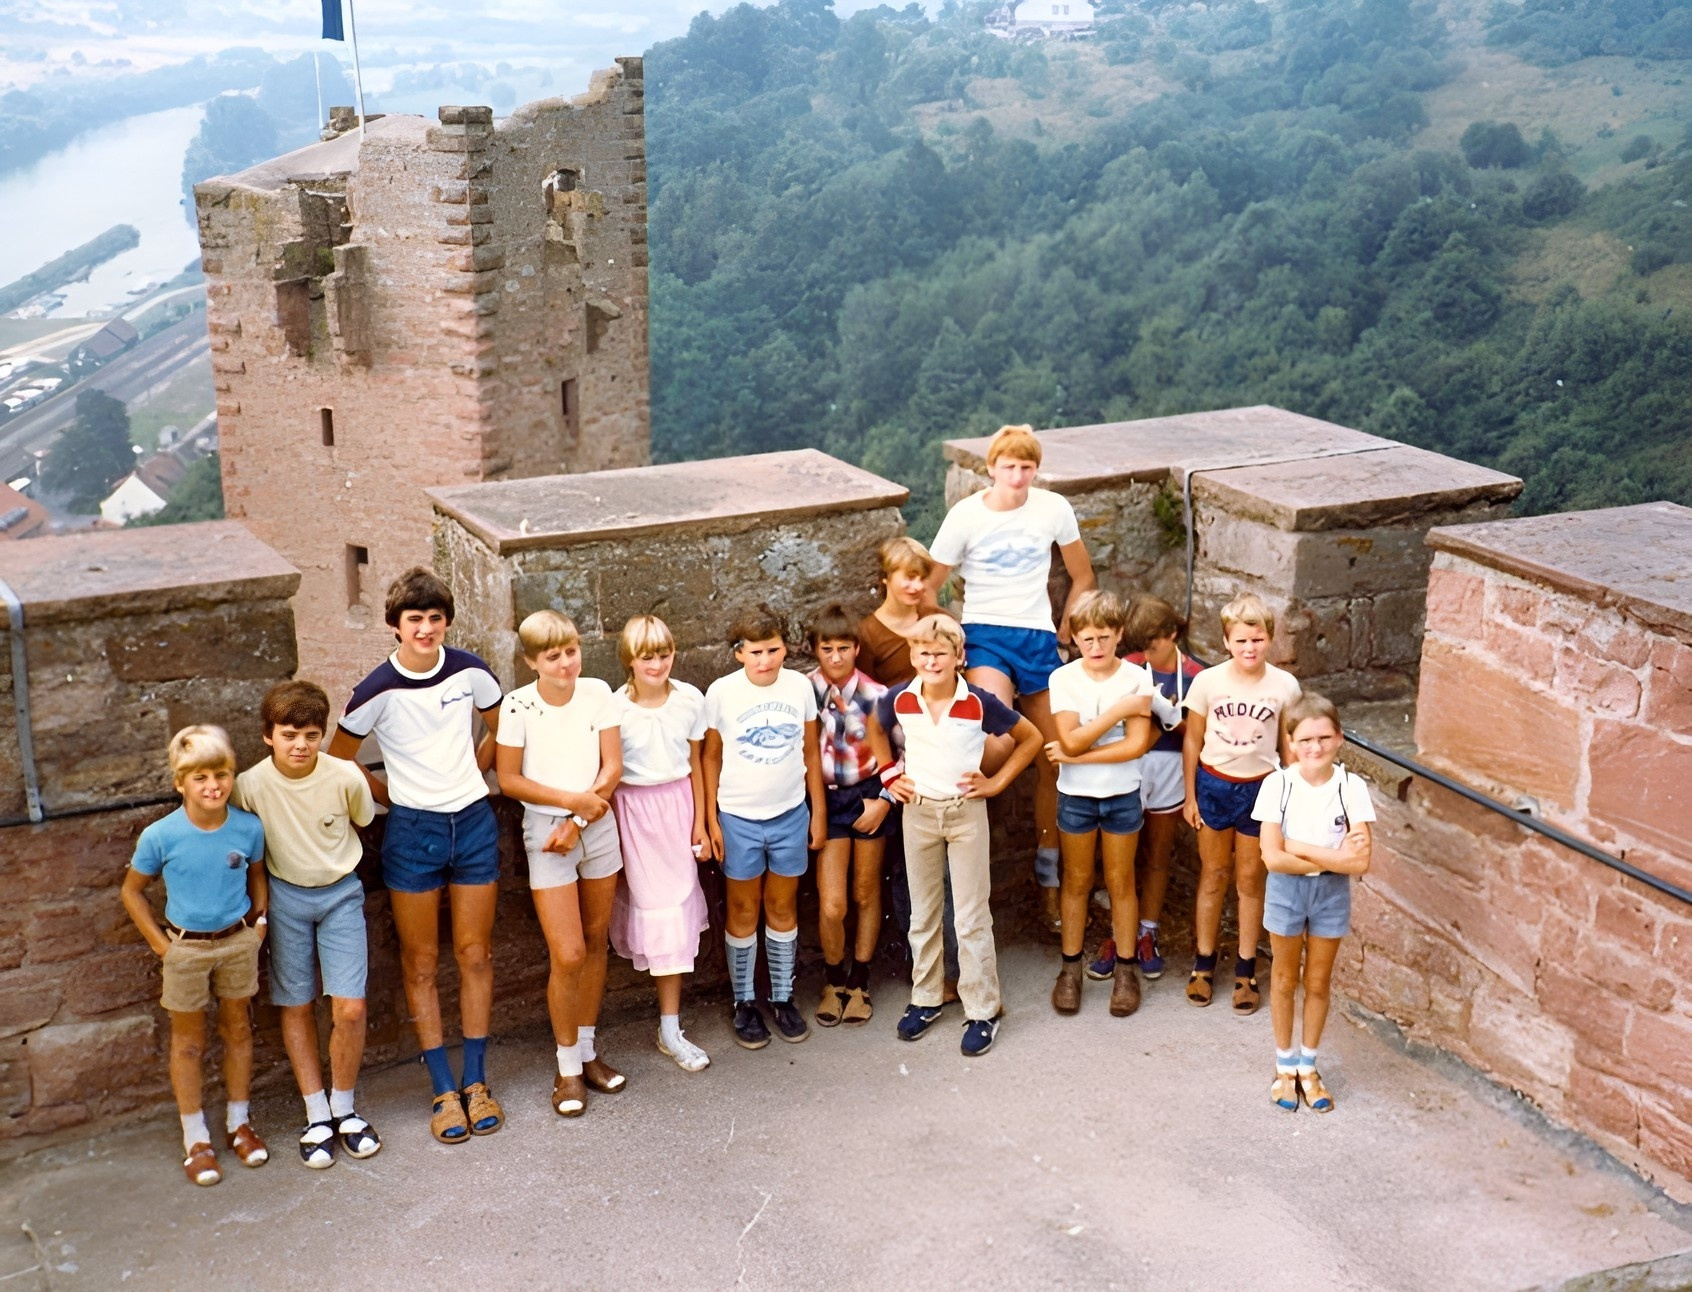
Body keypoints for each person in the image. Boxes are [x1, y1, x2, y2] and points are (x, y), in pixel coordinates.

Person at [328, 567, 505, 1145]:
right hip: (412, 833)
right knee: (421, 964)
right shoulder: (376, 689)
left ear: (446, 620)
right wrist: (386, 796)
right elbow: (339, 758)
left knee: (475, 954)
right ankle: (441, 1090)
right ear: (395, 626)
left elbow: (502, 730)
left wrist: (474, 772)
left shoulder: (472, 671)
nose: (425, 629)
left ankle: (476, 1082)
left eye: (434, 618)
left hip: (474, 823)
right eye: (414, 620)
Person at [927, 424, 1097, 933]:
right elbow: (929, 588)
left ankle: (1047, 874)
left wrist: (1069, 621)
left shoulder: (1053, 509)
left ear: (1036, 470)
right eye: (1009, 467)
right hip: (984, 637)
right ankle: (953, 840)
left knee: (1055, 756)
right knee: (996, 740)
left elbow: (1083, 576)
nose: (1018, 476)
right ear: (991, 468)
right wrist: (952, 637)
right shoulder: (966, 516)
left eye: (1027, 468)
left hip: (1038, 637)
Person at [868, 615, 1043, 1057]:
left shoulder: (978, 702)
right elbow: (873, 728)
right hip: (919, 813)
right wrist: (890, 774)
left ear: (958, 657)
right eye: (923, 653)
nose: (931, 660)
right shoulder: (900, 699)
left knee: (970, 914)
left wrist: (996, 783)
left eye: (940, 653)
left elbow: (1031, 737)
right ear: (912, 656)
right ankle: (925, 999)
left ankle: (983, 1009)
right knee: (924, 912)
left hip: (966, 814)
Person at [231, 681, 380, 1169]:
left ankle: (345, 1107)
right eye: (289, 734)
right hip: (285, 895)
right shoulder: (250, 786)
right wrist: (261, 907)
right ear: (268, 736)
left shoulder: (344, 777)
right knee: (295, 1003)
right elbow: (247, 847)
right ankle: (316, 1113)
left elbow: (361, 820)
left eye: (312, 734)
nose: (301, 745)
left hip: (340, 893)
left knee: (350, 1008)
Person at [120, 725, 269, 1187]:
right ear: (179, 782)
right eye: (200, 777)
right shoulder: (161, 836)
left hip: (237, 941)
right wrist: (163, 946)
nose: (213, 786)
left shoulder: (247, 827)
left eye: (221, 774)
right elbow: (132, 892)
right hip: (185, 949)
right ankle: (195, 1136)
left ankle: (238, 1123)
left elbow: (258, 874)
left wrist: (258, 925)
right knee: (188, 1041)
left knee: (238, 1029)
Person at [494, 610, 627, 1117]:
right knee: (568, 953)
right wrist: (570, 808)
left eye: (571, 651)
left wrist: (580, 817)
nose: (567, 663)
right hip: (546, 833)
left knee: (597, 941)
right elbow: (509, 779)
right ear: (532, 660)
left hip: (596, 825)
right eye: (553, 656)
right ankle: (566, 1066)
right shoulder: (518, 705)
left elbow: (611, 765)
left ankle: (588, 1054)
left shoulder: (597, 693)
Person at [702, 608, 827, 1049]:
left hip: (790, 812)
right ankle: (744, 1002)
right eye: (755, 652)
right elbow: (710, 756)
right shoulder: (721, 693)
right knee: (741, 910)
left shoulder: (799, 687)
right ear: (739, 654)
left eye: (773, 650)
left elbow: (811, 750)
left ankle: (782, 996)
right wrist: (711, 820)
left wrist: (818, 812)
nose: (765, 661)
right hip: (738, 817)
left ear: (785, 648)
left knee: (782, 905)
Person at [1180, 592, 1302, 1015]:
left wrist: (1290, 800)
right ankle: (1203, 962)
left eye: (1258, 639)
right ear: (1226, 642)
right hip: (1214, 784)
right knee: (1213, 874)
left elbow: (1288, 748)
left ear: (1270, 639)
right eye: (1241, 640)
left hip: (1261, 789)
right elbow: (1193, 740)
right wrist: (1190, 795)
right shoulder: (1208, 682)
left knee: (1251, 880)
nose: (1250, 648)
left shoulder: (1284, 686)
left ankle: (1246, 967)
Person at [856, 535, 964, 1002]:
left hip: (942, 758)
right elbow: (869, 712)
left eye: (924, 577)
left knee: (949, 874)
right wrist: (887, 777)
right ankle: (924, 965)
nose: (918, 585)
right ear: (886, 580)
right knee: (908, 873)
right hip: (901, 770)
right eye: (908, 577)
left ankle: (957, 969)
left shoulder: (937, 624)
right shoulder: (869, 634)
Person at [1043, 591, 1161, 1017]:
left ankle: (1125, 970)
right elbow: (1069, 736)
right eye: (1088, 639)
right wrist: (1120, 711)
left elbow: (1133, 747)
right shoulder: (1064, 679)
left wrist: (1075, 754)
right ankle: (1070, 969)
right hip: (1076, 796)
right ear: (1074, 637)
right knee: (1075, 881)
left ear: (1119, 634)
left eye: (1105, 638)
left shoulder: (1136, 677)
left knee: (1120, 882)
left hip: (1122, 793)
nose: (1096, 648)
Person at [1254, 693, 1373, 1113]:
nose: (1315, 748)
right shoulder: (1278, 785)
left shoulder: (1351, 787)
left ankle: (1308, 1066)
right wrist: (1335, 856)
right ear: (1290, 743)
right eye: (1305, 740)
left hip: (1331, 893)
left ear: (1339, 738)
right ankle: (1285, 1066)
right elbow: (1272, 856)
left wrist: (1301, 846)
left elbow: (1360, 859)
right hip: (1286, 890)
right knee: (1285, 979)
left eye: (1324, 738)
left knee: (1319, 982)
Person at [608, 614, 712, 1073]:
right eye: (647, 656)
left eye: (664, 653)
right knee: (655, 912)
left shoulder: (690, 698)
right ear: (630, 660)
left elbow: (699, 762)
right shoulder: (614, 709)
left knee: (676, 913)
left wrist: (704, 823)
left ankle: (670, 1027)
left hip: (679, 808)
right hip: (633, 815)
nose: (658, 664)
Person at [1091, 596, 1204, 981]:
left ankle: (1147, 933)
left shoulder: (1196, 676)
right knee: (1122, 858)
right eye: (1140, 647)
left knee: (1157, 854)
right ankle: (1116, 934)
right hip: (1130, 765)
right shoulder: (1130, 668)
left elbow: (1198, 732)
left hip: (1171, 768)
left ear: (1172, 634)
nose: (1146, 654)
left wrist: (1169, 718)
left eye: (1152, 645)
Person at [806, 604, 892, 1026]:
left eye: (844, 647)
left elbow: (905, 752)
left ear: (857, 648)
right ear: (815, 651)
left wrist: (884, 800)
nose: (836, 656)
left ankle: (860, 981)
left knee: (865, 892)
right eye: (827, 648)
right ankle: (833, 978)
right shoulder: (804, 691)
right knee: (833, 903)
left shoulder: (877, 696)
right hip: (828, 800)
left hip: (869, 794)